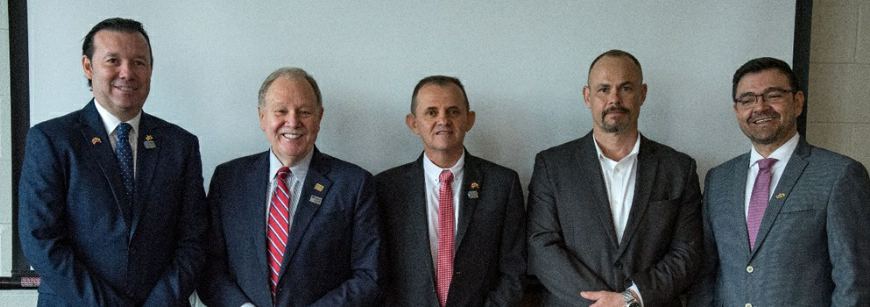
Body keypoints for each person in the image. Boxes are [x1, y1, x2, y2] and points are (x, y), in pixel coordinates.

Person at [18, 18, 207, 306]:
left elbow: (193, 241)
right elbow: (41, 240)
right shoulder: (52, 140)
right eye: (113, 61)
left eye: (139, 62)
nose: (127, 72)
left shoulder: (180, 145)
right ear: (88, 66)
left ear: (151, 70)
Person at [527, 50, 703, 307]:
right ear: (588, 97)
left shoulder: (678, 168)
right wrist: (601, 302)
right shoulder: (552, 165)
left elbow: (687, 251)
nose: (614, 99)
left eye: (626, 88)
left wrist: (630, 299)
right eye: (604, 89)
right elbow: (541, 245)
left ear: (642, 94)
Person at [688, 57, 870, 306]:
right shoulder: (719, 179)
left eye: (773, 95)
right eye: (748, 99)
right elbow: (706, 274)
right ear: (737, 110)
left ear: (797, 102)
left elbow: (854, 280)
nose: (760, 107)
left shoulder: (840, 174)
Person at [199, 67, 382, 306]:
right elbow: (209, 265)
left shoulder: (354, 184)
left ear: (319, 118)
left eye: (304, 111)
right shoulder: (229, 180)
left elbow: (369, 275)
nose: (293, 122)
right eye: (281, 111)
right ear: (262, 117)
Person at [375, 76, 526, 306]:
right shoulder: (386, 188)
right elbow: (376, 269)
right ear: (413, 123)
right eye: (431, 112)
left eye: (453, 112)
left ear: (469, 119)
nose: (443, 120)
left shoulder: (502, 184)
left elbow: (514, 270)